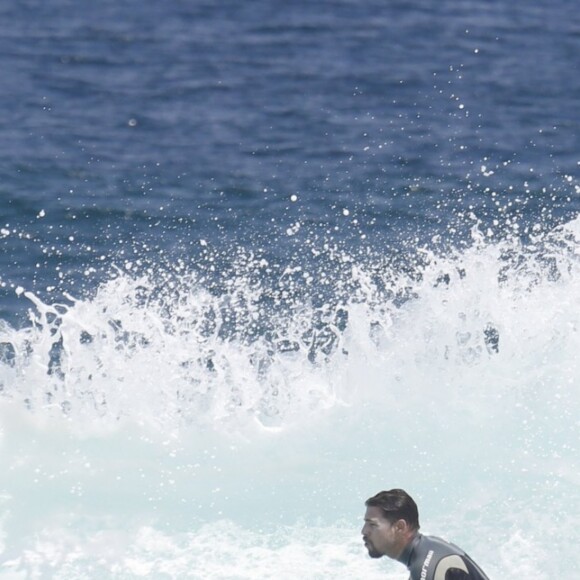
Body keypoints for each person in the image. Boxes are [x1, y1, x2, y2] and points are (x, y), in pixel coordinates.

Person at [362, 489, 490, 579]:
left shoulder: (425, 567)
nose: (364, 531)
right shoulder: (428, 548)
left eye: (372, 525)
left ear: (400, 527)